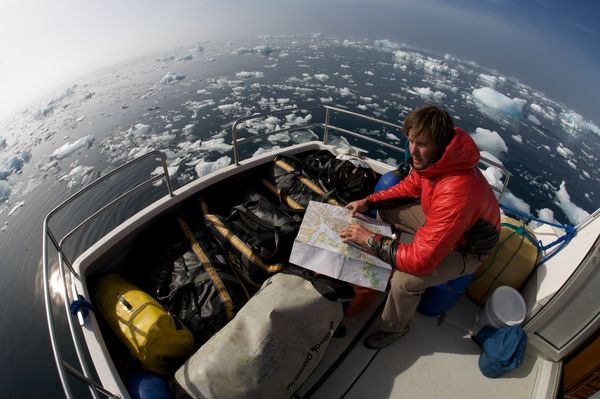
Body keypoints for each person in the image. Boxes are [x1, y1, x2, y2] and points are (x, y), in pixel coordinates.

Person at [339, 104, 500, 349]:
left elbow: (422, 263)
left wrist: (370, 240)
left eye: (421, 144)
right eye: (410, 141)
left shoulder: (456, 191)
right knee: (389, 209)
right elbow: (410, 187)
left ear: (440, 143)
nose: (412, 150)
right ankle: (401, 250)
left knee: (404, 281)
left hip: (466, 248)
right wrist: (368, 201)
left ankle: (395, 328)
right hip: (443, 222)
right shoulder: (434, 162)